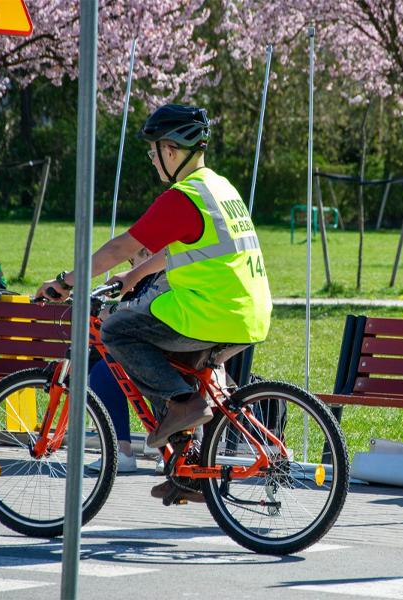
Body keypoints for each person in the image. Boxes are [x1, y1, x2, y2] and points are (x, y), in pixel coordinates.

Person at [35, 104, 273, 501]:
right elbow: (185, 249)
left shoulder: (182, 198)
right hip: (247, 313)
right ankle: (190, 471)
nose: (153, 159)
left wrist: (65, 281)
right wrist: (134, 275)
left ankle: (182, 407)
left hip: (209, 312)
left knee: (117, 330)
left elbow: (121, 246)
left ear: (171, 150)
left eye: (154, 150)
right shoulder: (219, 188)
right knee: (169, 371)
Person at [87, 246, 160, 474]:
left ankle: (169, 448)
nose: (131, 268)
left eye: (133, 260)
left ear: (148, 254)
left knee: (162, 375)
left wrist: (115, 311)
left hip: (165, 351)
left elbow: (146, 308)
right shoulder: (138, 283)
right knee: (103, 372)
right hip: (138, 352)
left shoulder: (166, 276)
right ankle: (121, 450)